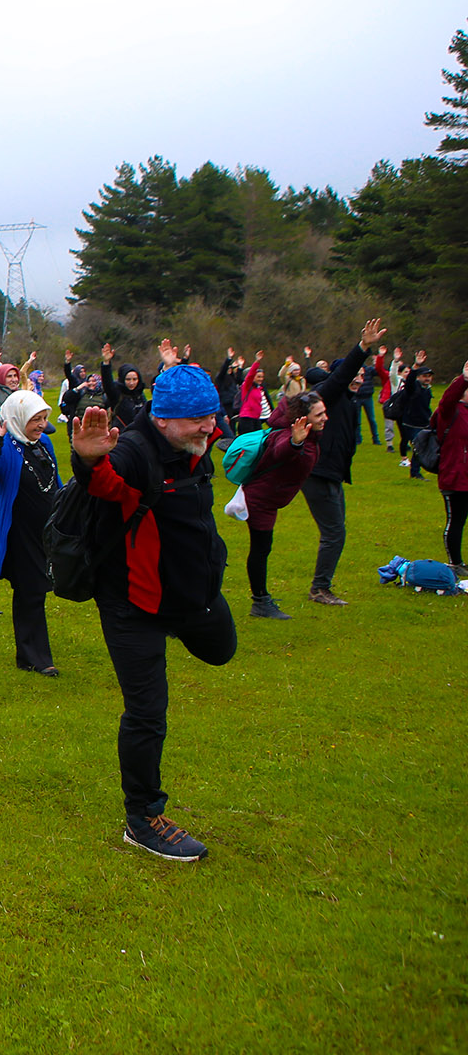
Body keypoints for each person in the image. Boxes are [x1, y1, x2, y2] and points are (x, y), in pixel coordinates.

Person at [68, 353, 235, 862]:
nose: (209, 425)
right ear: (162, 417)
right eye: (197, 418)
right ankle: (143, 818)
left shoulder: (192, 446)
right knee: (148, 712)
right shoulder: (135, 451)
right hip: (133, 605)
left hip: (189, 596)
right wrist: (90, 459)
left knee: (222, 649)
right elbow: (107, 481)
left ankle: (184, 620)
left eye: (211, 415)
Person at [296, 320, 388, 605]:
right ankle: (319, 590)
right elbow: (341, 374)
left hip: (332, 474)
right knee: (334, 533)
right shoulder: (330, 395)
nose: (361, 379)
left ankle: (321, 587)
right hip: (318, 473)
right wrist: (363, 348)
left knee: (337, 531)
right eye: (357, 374)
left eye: (363, 375)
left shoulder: (349, 400)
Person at [0, 391, 62, 676]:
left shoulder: (43, 442)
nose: (41, 424)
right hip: (20, 533)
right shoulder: (6, 446)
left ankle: (32, 652)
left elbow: (54, 482)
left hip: (46, 530)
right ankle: (34, 657)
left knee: (40, 589)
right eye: (35, 419)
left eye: (44, 418)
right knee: (30, 591)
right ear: (19, 419)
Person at [241, 391, 326, 620]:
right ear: (303, 418)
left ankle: (260, 600)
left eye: (324, 412)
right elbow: (281, 451)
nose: (325, 418)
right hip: (260, 501)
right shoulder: (290, 435)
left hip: (268, 498)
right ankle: (260, 602)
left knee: (262, 548)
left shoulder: (308, 433)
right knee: (260, 549)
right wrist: (295, 442)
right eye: (319, 414)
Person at [433, 360, 468, 577]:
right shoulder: (449, 411)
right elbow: (447, 399)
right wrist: (463, 379)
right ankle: (455, 562)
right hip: (454, 476)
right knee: (456, 520)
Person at [397, 366, 435, 479]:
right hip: (411, 424)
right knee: (418, 447)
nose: (427, 379)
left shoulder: (427, 389)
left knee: (421, 448)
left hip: (424, 423)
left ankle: (415, 472)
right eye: (424, 376)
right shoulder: (413, 388)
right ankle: (415, 473)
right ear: (418, 377)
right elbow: (409, 382)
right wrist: (415, 368)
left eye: (429, 376)